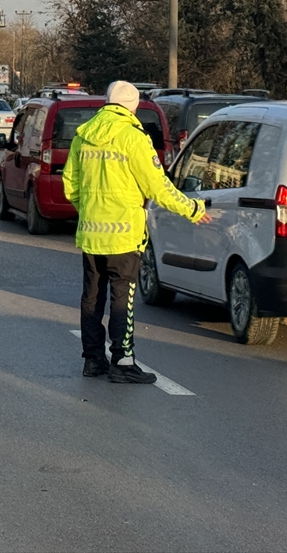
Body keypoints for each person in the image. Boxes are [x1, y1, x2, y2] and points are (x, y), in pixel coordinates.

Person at [62, 80, 211, 384]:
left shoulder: (83, 136)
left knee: (91, 296)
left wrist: (90, 210)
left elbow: (70, 186)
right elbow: (159, 187)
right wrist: (192, 209)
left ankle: (92, 359)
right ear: (132, 108)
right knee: (122, 297)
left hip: (91, 234)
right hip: (124, 234)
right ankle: (123, 360)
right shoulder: (134, 139)